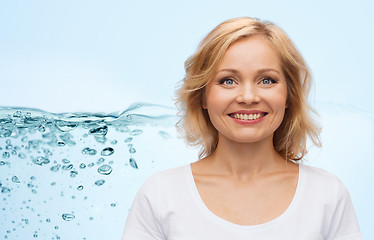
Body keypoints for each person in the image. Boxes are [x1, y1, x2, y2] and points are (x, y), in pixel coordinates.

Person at [122, 17, 362, 239]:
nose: (248, 97)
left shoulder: (327, 194)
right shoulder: (160, 194)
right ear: (203, 97)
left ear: (288, 96)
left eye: (266, 80)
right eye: (228, 81)